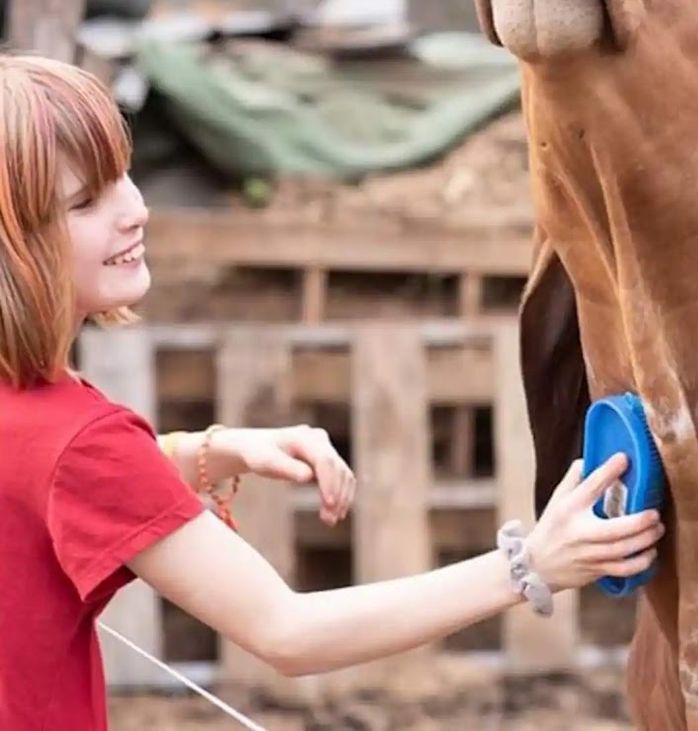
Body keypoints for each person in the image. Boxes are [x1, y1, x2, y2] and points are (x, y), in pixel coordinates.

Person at [0, 54, 664, 730]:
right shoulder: (81, 439)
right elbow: (287, 631)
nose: (135, 209)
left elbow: (43, 483)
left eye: (124, 176)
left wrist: (215, 451)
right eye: (85, 201)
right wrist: (530, 566)